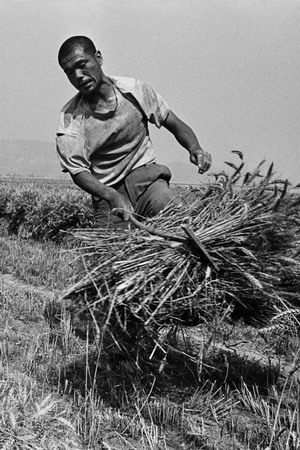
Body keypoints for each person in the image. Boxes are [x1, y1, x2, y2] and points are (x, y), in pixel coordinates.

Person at [56, 36, 212, 227]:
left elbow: (173, 122)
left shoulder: (135, 91)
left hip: (149, 184)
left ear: (98, 57)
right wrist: (111, 195)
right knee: (115, 256)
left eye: (82, 64)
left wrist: (194, 148)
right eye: (70, 72)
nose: (78, 75)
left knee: (179, 223)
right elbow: (78, 171)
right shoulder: (70, 119)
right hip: (109, 197)